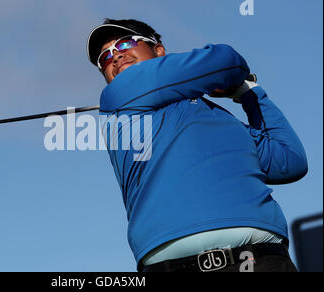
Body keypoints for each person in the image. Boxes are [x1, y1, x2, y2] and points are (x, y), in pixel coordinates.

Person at [86, 18, 308, 272]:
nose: (114, 57)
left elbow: (290, 160)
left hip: (262, 261)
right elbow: (227, 60)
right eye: (105, 57)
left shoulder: (224, 120)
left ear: (158, 49)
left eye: (125, 43)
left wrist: (249, 93)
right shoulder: (119, 95)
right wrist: (234, 81)